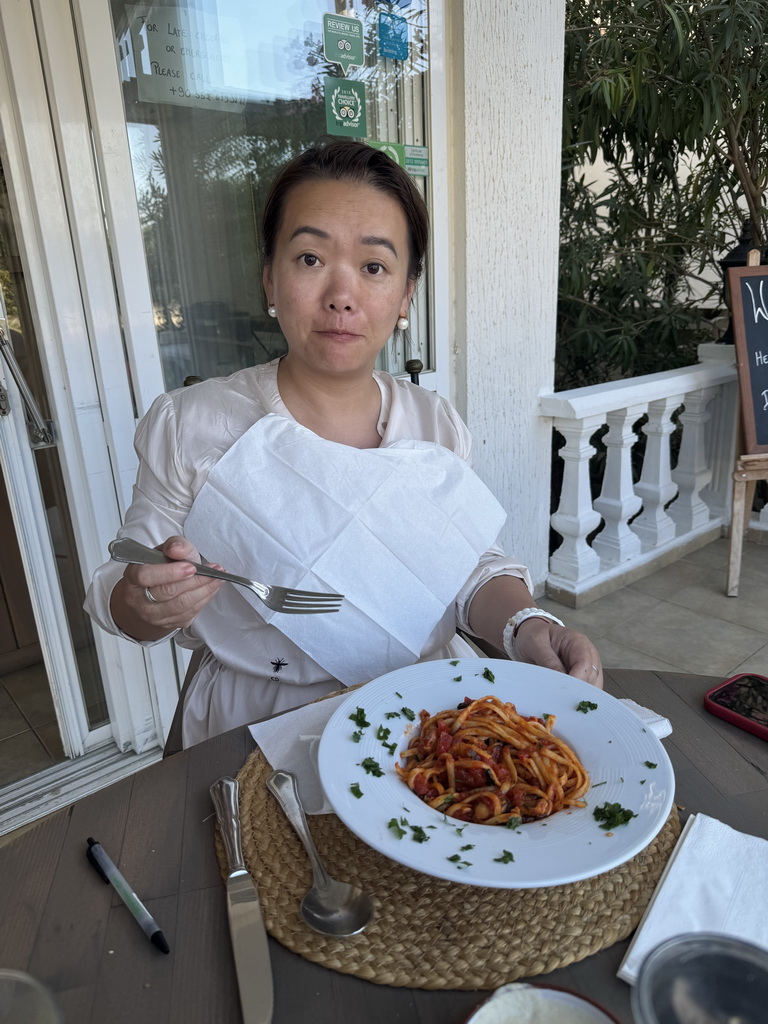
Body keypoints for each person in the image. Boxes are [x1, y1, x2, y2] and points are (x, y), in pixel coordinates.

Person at [85, 138, 602, 750]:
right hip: (250, 721)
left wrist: (525, 625)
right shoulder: (192, 423)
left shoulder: (435, 425)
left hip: (425, 716)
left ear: (406, 294)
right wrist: (145, 601)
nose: (341, 294)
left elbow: (466, 567)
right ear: (269, 280)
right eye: (309, 259)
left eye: (375, 266)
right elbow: (123, 580)